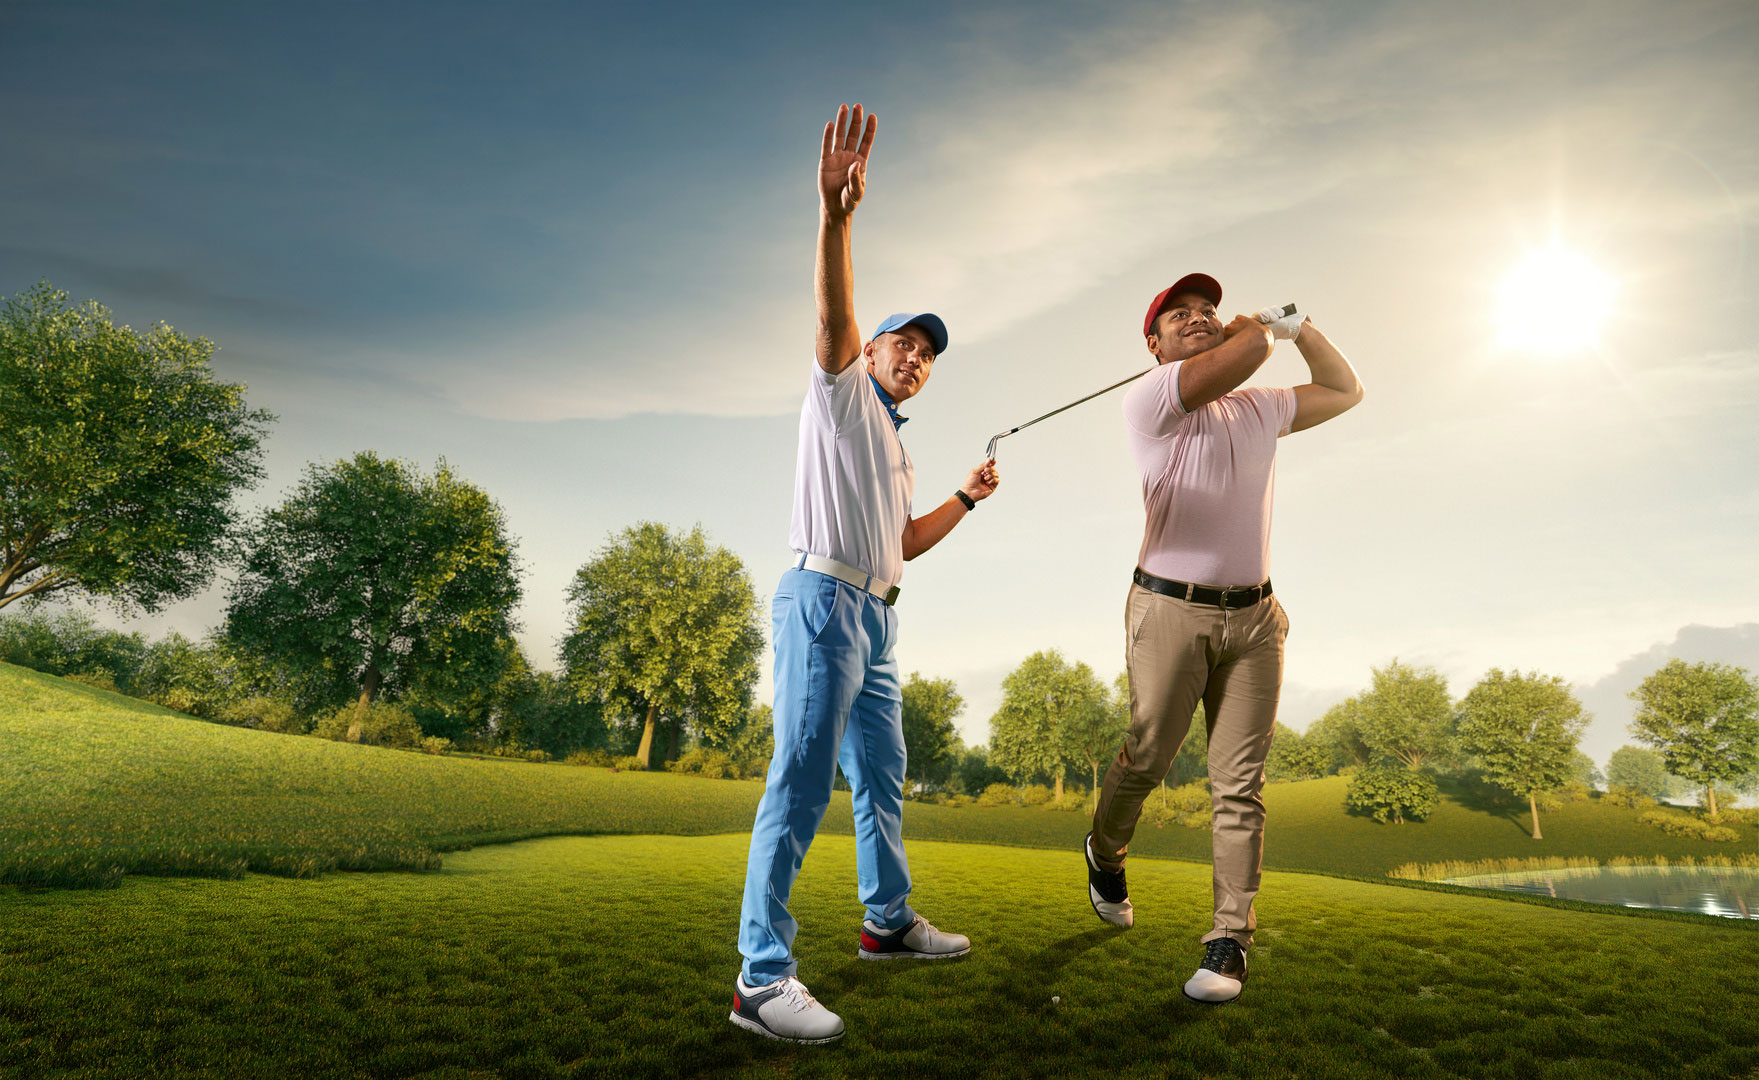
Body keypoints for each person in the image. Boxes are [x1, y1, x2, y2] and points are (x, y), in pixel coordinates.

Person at [730, 103, 1001, 1045]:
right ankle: (760, 981)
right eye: (903, 345)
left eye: (925, 354)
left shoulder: (893, 444)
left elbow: (904, 545)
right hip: (820, 605)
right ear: (872, 352)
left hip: (877, 615)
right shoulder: (844, 395)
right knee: (800, 786)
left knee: (882, 781)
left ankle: (887, 923)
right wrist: (836, 220)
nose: (915, 359)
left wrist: (963, 499)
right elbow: (832, 317)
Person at [1084, 272, 1363, 1005]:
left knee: (1239, 786)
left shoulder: (1258, 408)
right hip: (1166, 611)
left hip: (1257, 620)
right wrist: (1258, 331)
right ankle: (1104, 852)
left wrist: (1301, 328)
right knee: (1147, 757)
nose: (1199, 318)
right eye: (1180, 316)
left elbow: (1343, 390)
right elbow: (1238, 359)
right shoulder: (1151, 399)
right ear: (1154, 346)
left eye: (1206, 310)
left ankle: (1228, 939)